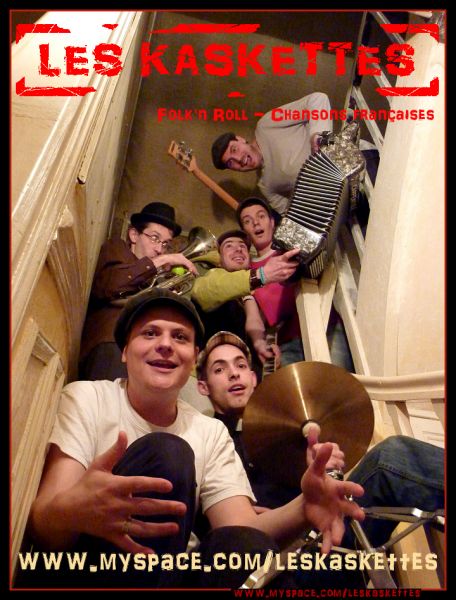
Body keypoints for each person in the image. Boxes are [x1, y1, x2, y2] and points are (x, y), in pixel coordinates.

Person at [22, 288, 365, 589]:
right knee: (168, 453)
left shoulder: (209, 431)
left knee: (243, 546)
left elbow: (242, 530)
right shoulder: (88, 398)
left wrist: (304, 506)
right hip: (89, 570)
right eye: (150, 333)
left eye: (180, 337)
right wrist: (75, 510)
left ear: (190, 361)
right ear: (124, 351)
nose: (165, 345)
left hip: (172, 576)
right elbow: (42, 528)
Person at [195, 330, 445, 554]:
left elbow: (323, 492)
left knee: (390, 458)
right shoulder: (209, 441)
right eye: (219, 369)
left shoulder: (291, 427)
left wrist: (325, 470)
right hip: (285, 559)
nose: (234, 373)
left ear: (253, 377)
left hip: (329, 531)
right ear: (203, 387)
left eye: (240, 365)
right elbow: (228, 535)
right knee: (387, 459)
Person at [79, 202, 197, 381]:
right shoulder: (118, 248)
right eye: (154, 238)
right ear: (134, 235)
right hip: (111, 346)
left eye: (165, 244)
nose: (159, 249)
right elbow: (109, 285)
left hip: (138, 354)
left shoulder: (154, 277)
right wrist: (159, 262)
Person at [191, 228, 300, 372]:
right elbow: (205, 291)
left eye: (242, 246)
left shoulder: (249, 296)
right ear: (219, 261)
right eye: (229, 246)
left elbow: (254, 322)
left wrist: (262, 344)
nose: (238, 249)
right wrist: (262, 274)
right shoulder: (211, 277)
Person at [211, 93, 332, 215]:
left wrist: (318, 137)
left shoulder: (266, 125)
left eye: (234, 149)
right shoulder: (265, 186)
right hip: (334, 201)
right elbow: (290, 216)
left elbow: (317, 99)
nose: (238, 159)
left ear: (240, 139)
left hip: (339, 161)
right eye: (230, 163)